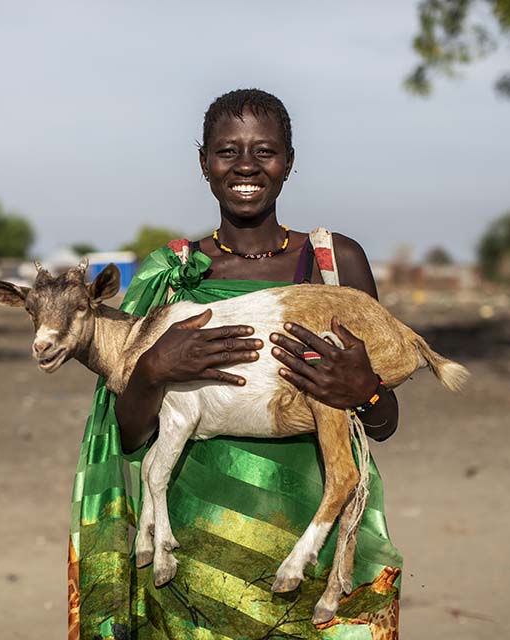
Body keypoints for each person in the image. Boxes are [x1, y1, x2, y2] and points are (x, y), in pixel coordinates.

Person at [68, 89, 402, 640]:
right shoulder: (169, 273)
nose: (246, 165)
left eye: (264, 151)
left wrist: (365, 390)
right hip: (197, 540)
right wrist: (154, 366)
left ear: (288, 162)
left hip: (314, 538)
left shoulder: (335, 264)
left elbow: (384, 425)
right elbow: (127, 433)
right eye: (227, 152)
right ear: (204, 162)